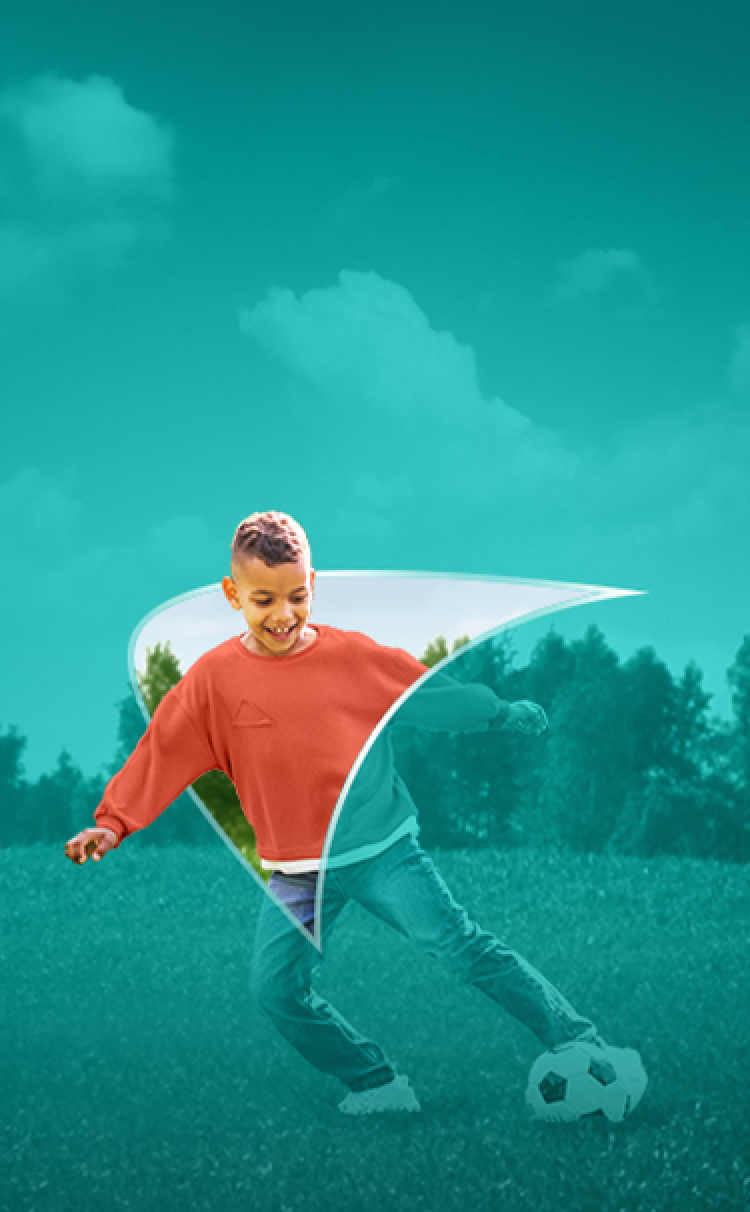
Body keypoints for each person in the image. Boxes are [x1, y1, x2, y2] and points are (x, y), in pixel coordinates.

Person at [66, 510, 610, 1116]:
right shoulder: (213, 682)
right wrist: (112, 822)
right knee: (272, 990)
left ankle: (583, 1045)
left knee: (460, 948)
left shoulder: (350, 659)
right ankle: (377, 1083)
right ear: (233, 595)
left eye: (296, 596)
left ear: (312, 586)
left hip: (382, 852)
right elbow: (162, 752)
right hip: (298, 874)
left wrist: (499, 713)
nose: (283, 614)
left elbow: (427, 697)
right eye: (263, 599)